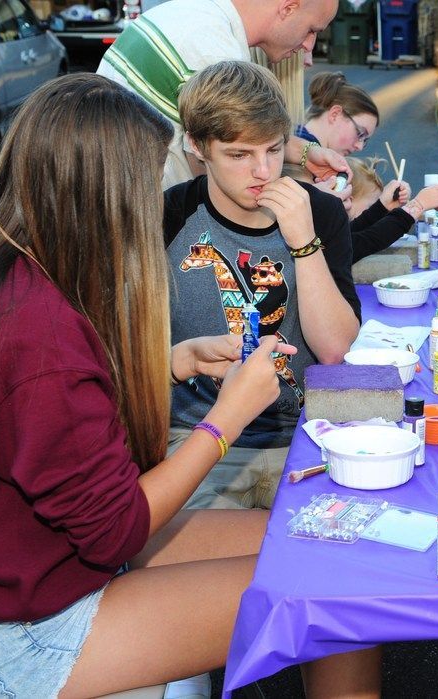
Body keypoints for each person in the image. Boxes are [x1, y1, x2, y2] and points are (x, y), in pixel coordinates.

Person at [0, 74, 380, 698]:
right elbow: (115, 531)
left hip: (34, 568)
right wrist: (225, 418)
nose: (152, 197)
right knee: (338, 583)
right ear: (101, 192)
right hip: (25, 631)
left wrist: (172, 361)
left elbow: (53, 426)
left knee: (336, 541)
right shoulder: (39, 335)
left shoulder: (9, 276)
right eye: (143, 179)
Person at [165, 61, 361, 511]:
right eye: (239, 155)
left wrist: (303, 242)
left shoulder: (321, 214)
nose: (263, 171)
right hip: (196, 440)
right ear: (197, 146)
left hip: (305, 438)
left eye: (274, 150)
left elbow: (333, 348)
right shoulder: (167, 217)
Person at [97, 0, 350, 190]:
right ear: (288, 7)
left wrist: (306, 153)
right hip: (138, 216)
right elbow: (223, 184)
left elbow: (242, 137)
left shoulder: (192, 13)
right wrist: (314, 205)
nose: (309, 46)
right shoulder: (215, 53)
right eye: (311, 29)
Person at [345, 156, 438, 263]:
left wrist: (383, 206)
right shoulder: (331, 242)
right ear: (347, 200)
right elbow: (369, 240)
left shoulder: (335, 232)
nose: (369, 211)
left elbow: (352, 231)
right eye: (370, 206)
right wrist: (416, 206)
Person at [298, 72, 379, 157]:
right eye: (360, 134)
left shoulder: (293, 140)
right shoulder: (306, 161)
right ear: (335, 114)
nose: (360, 147)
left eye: (365, 140)